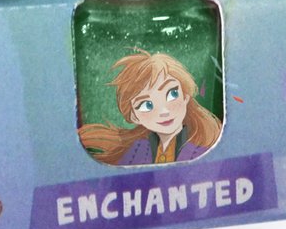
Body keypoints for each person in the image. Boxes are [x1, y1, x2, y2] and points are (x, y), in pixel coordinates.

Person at [79, 51, 222, 167]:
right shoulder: (136, 152)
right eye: (146, 105)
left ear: (185, 96)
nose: (164, 111)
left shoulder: (201, 151)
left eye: (172, 94)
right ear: (134, 116)